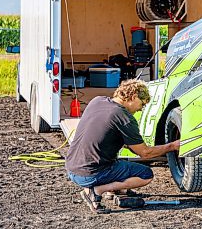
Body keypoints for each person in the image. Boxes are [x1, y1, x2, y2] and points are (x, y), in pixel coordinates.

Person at [65, 79, 180, 214]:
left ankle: (114, 189)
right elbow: (145, 153)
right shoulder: (124, 117)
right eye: (142, 104)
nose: (141, 109)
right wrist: (172, 145)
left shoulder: (97, 101)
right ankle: (96, 191)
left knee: (119, 160)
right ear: (133, 97)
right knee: (146, 174)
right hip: (88, 174)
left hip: (72, 168)